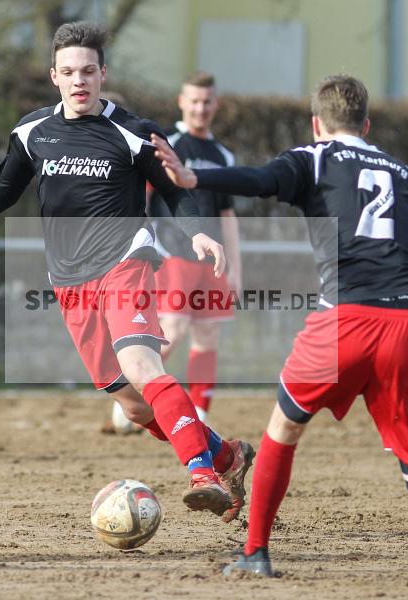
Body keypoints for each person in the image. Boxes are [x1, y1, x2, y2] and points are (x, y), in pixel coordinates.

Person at [154, 75, 408, 586]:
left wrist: (194, 181)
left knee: (281, 433)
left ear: (317, 124)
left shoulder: (313, 158)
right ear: (368, 125)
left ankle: (256, 551)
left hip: (346, 321)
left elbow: (260, 179)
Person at [0, 21, 254, 521]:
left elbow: (176, 191)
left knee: (142, 366)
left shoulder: (133, 133)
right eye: (68, 72)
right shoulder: (31, 132)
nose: (79, 81)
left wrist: (197, 231)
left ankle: (202, 473)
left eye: (88, 71)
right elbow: (5, 191)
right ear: (54, 76)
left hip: (125, 263)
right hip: (70, 283)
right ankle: (228, 456)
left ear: (103, 73)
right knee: (133, 407)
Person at [149, 71, 241, 424]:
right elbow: (145, 201)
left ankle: (200, 412)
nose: (201, 108)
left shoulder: (223, 156)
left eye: (207, 102)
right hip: (172, 253)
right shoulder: (167, 146)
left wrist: (235, 267)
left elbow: (227, 214)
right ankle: (137, 392)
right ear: (182, 102)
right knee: (172, 330)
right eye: (195, 101)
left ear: (215, 105)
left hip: (213, 260)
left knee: (208, 332)